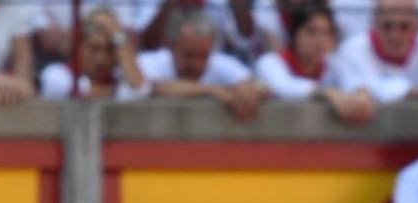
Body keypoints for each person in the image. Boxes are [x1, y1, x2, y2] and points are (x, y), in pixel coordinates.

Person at [137, 9, 270, 120]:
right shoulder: (148, 62)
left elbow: (260, 85)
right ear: (170, 46)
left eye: (203, 56)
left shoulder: (220, 62)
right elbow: (157, 87)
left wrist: (251, 92)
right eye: (189, 55)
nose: (196, 64)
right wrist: (213, 90)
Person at [38, 7, 148, 99]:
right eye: (94, 48)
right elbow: (85, 93)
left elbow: (140, 89)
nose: (102, 59)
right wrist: (116, 89)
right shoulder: (55, 74)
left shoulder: (119, 79)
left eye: (109, 50)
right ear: (79, 46)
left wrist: (119, 37)